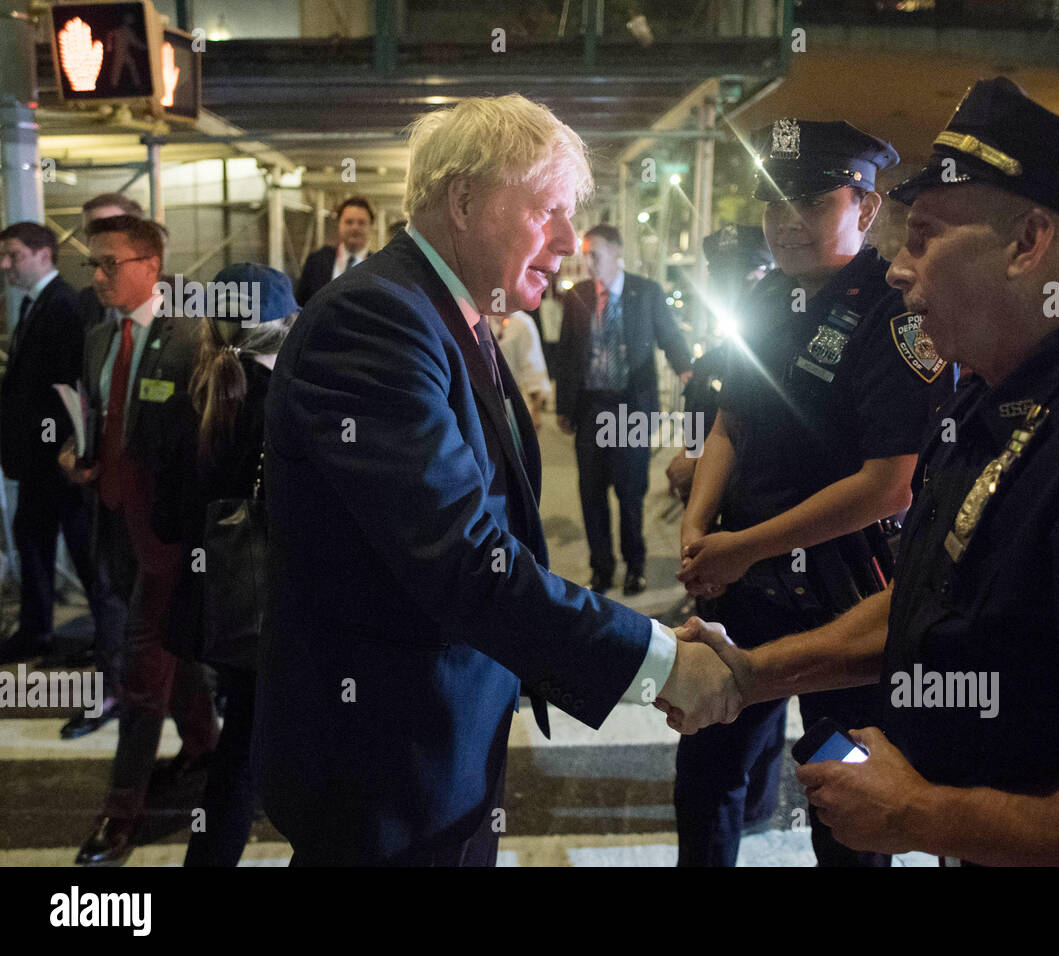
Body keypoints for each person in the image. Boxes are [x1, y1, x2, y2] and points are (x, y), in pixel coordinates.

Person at [677, 78, 1059, 866]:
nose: (898, 270)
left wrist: (918, 815)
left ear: (1026, 244)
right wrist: (754, 673)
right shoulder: (997, 407)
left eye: (925, 236)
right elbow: (939, 597)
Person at [253, 94, 741, 867]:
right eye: (548, 210)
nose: (569, 240)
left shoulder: (451, 314)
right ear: (465, 199)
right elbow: (464, 560)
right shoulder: (377, 322)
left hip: (436, 744)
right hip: (384, 762)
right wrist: (659, 662)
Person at [673, 119, 956, 867]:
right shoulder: (764, 301)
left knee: (847, 801)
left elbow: (888, 486)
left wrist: (740, 546)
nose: (784, 223)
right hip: (745, 592)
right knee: (708, 776)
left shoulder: (893, 314)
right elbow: (730, 420)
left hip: (847, 606)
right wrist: (699, 526)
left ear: (864, 210)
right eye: (771, 204)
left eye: (808, 202)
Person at [60, 216, 219, 865]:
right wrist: (78, 456)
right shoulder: (100, 339)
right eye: (92, 265)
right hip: (112, 523)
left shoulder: (192, 339)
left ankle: (122, 810)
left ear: (150, 266)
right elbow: (97, 421)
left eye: (109, 264)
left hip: (169, 537)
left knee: (140, 669)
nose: (97, 277)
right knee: (167, 651)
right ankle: (206, 745)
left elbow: (208, 443)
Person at [148, 264, 298, 867]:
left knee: (246, 745)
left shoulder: (190, 395)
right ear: (284, 325)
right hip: (277, 615)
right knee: (250, 759)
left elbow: (166, 519)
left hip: (219, 612)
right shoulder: (286, 402)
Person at [0, 223, 127, 739]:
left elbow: (64, 389)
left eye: (12, 256)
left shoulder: (61, 306)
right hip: (39, 461)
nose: (5, 266)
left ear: (41, 253)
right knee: (35, 542)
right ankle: (38, 632)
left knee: (90, 562)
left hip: (60, 463)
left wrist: (63, 448)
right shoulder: (40, 304)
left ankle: (107, 659)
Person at [554, 224, 694, 595]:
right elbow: (567, 353)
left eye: (594, 254)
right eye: (585, 254)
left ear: (617, 254)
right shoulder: (578, 296)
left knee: (631, 493)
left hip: (630, 409)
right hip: (591, 409)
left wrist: (688, 372)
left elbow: (671, 338)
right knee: (592, 493)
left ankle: (635, 566)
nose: (588, 261)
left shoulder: (645, 293)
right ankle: (601, 569)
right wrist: (563, 406)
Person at [665, 223, 775, 503]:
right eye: (724, 284)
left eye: (748, 282)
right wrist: (687, 455)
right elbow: (698, 432)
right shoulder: (708, 365)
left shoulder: (785, 357)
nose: (735, 295)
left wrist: (698, 466)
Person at [76, 193, 145, 333]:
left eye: (107, 228)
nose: (95, 239)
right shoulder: (87, 300)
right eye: (90, 232)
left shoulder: (177, 294)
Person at [296, 195, 374, 305]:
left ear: (371, 226)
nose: (355, 228)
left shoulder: (379, 268)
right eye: (349, 222)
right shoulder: (316, 262)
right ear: (339, 224)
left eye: (361, 223)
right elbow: (301, 304)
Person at [490, 311, 551, 429]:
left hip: (513, 401)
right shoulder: (483, 318)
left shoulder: (523, 323)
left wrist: (535, 414)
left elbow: (533, 371)